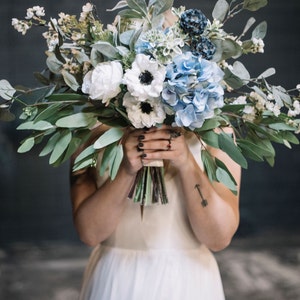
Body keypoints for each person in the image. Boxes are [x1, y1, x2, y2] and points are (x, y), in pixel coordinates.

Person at [70, 122, 241, 300]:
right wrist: (126, 171)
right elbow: (89, 233)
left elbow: (218, 238)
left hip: (187, 282)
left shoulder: (217, 129)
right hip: (116, 280)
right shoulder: (91, 128)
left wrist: (186, 162)